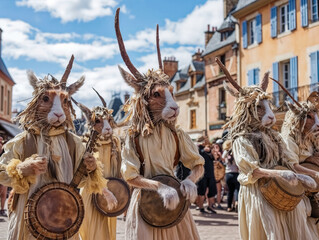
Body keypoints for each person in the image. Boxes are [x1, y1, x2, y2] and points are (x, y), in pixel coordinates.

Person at [197, 144, 217, 214]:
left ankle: (210, 206)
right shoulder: (201, 152)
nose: (209, 148)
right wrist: (203, 150)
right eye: (208, 147)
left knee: (212, 192)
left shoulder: (211, 154)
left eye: (210, 147)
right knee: (201, 192)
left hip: (211, 175)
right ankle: (201, 207)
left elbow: (215, 158)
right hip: (203, 175)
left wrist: (213, 152)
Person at [222, 139, 239, 212]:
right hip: (236, 173)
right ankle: (237, 202)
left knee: (230, 191)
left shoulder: (225, 152)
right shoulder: (236, 151)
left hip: (228, 173)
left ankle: (229, 206)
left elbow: (222, 159)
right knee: (237, 190)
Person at [211, 142, 225, 210]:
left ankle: (218, 204)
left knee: (219, 190)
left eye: (217, 147)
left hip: (219, 176)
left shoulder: (221, 154)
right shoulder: (210, 155)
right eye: (214, 147)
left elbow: (224, 162)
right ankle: (212, 203)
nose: (215, 148)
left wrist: (220, 156)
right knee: (213, 190)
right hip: (212, 175)